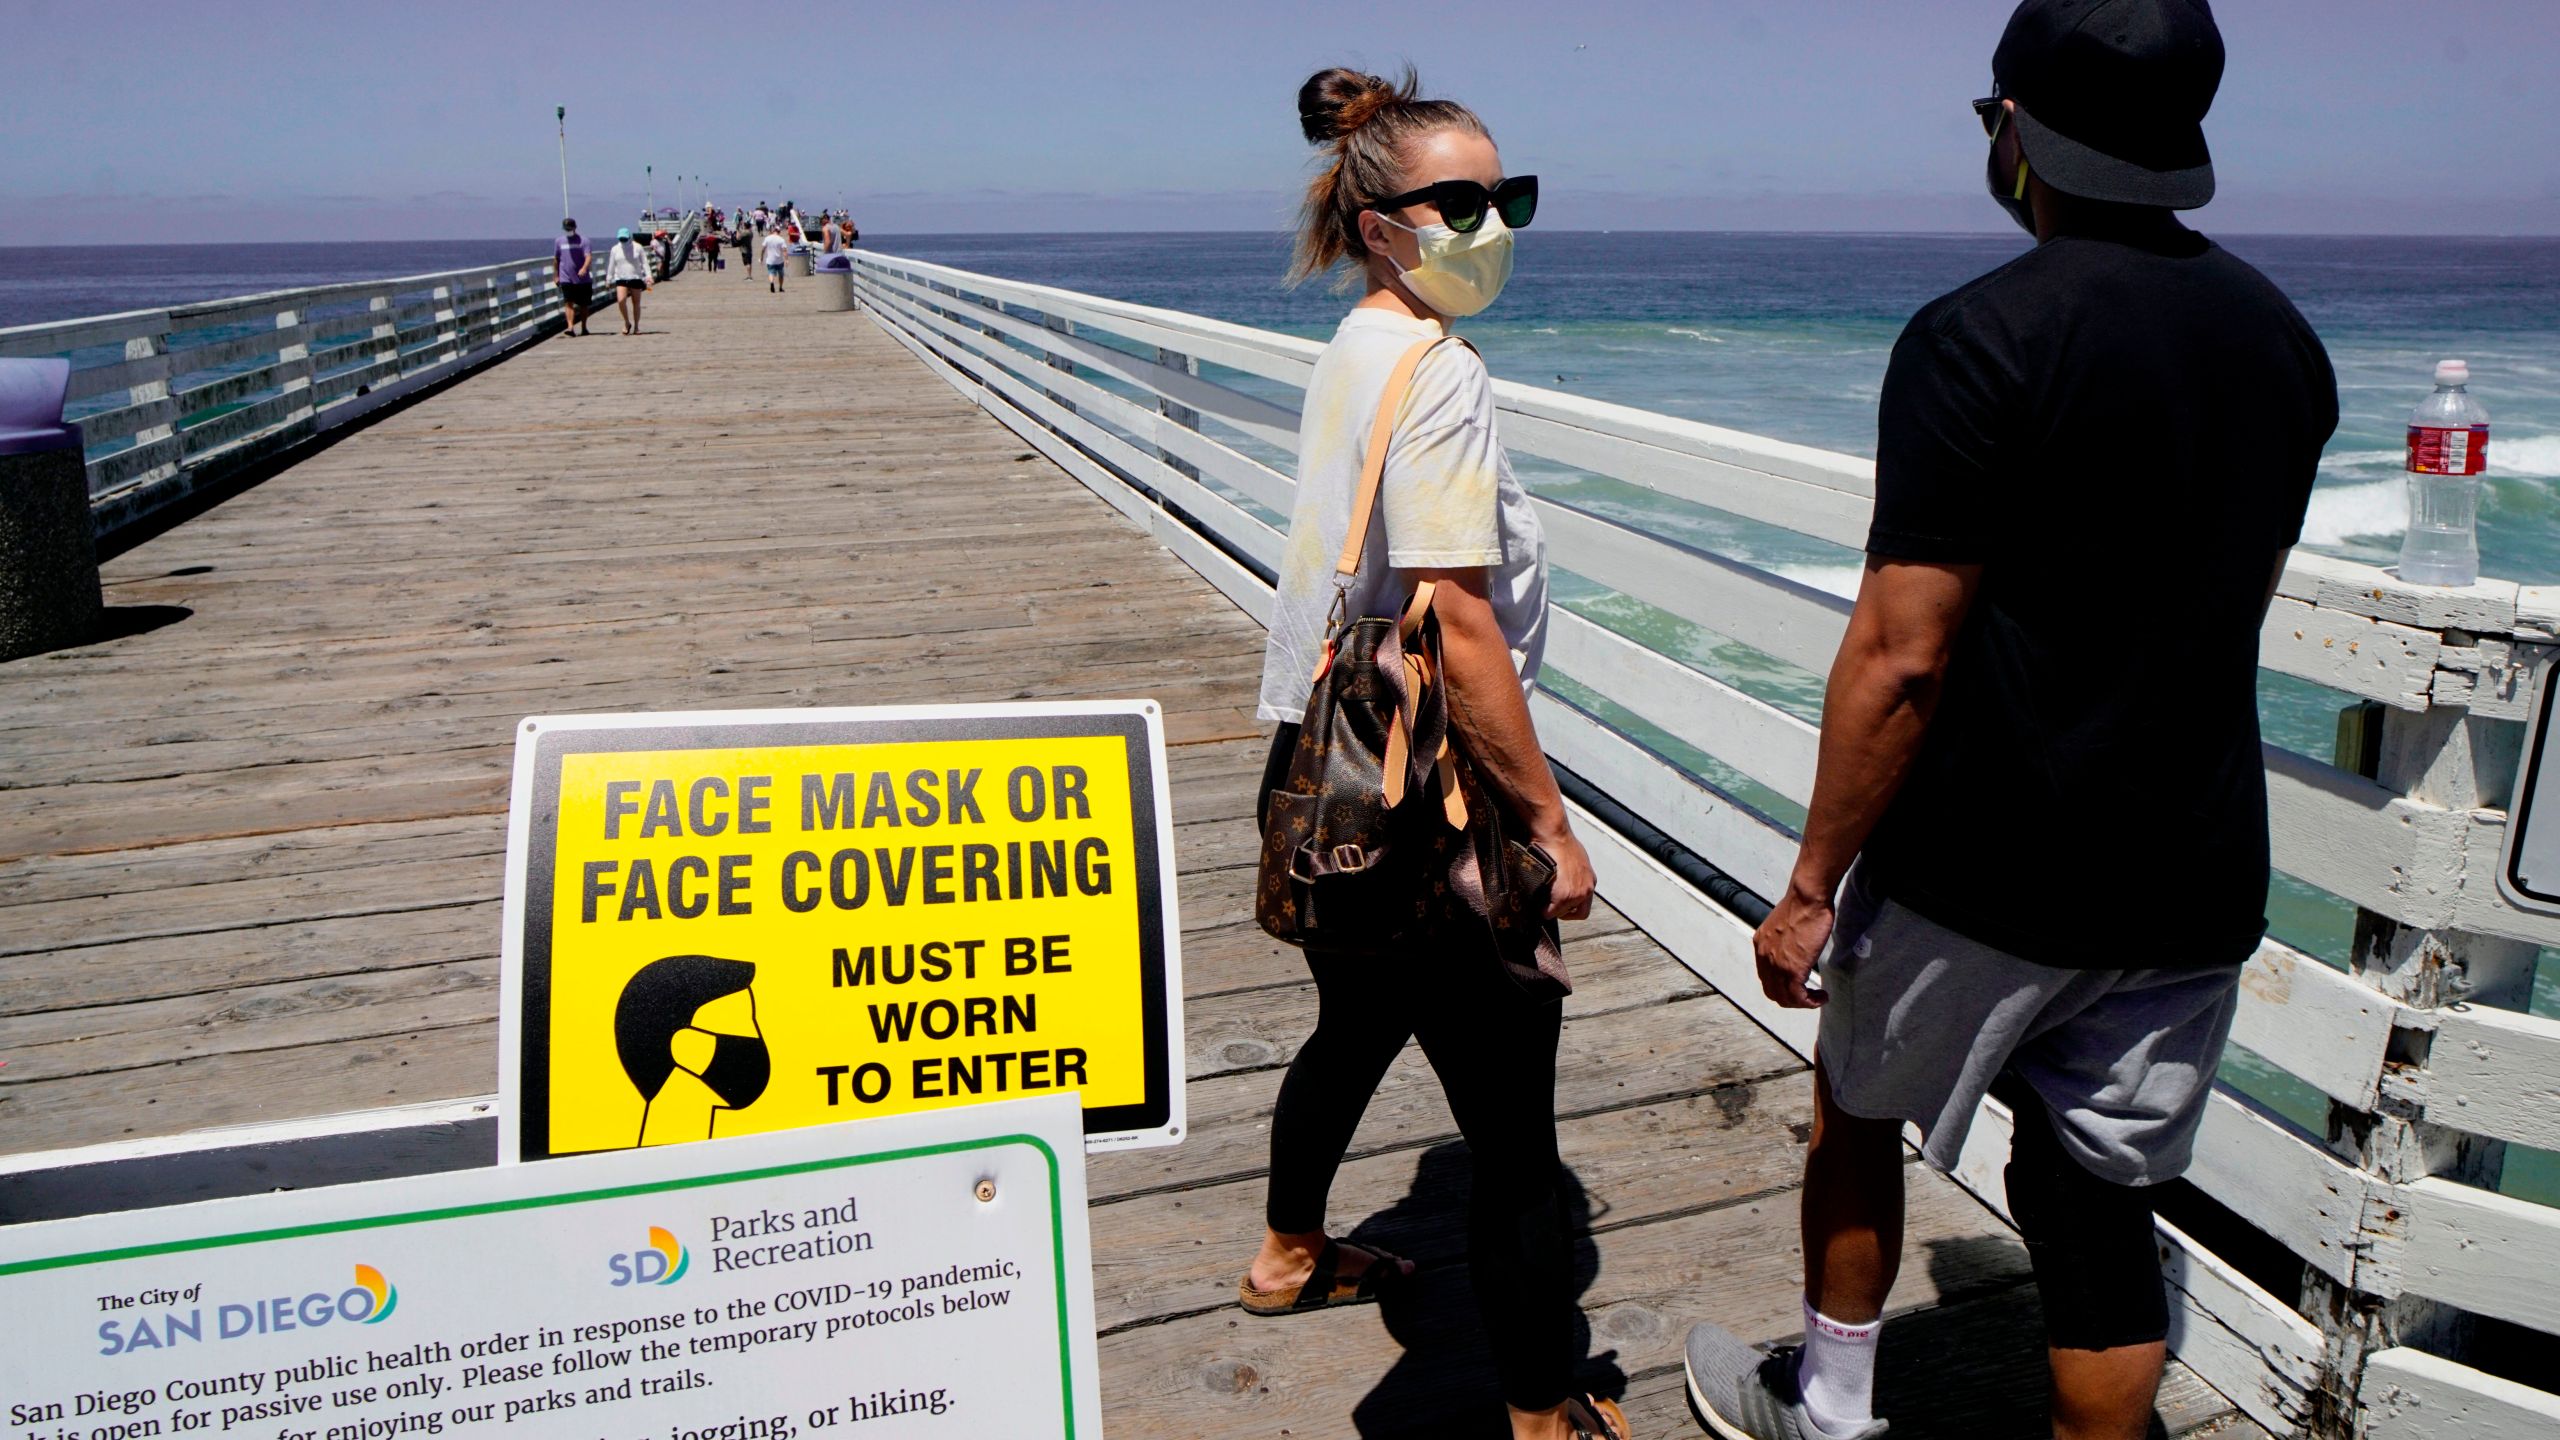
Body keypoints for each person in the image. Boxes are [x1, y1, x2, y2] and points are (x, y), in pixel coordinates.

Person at [1679, 5, 2338, 1440]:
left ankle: (1833, 1408)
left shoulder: (1979, 336)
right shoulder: (2284, 343)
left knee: (1858, 1108)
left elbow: (1901, 659)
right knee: (2102, 1200)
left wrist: (1807, 890)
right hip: (2191, 873)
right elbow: (2228, 606)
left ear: (2018, 133)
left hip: (1991, 865)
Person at [1243, 66, 1617, 1440]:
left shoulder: (1358, 346)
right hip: (1435, 808)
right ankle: (1539, 1411)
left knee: (1353, 1023)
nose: (1491, 223)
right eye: (1457, 202)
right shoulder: (1443, 376)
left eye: (1507, 198)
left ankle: (1288, 1253)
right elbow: (1461, 626)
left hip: (1326, 779)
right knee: (1519, 1149)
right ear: (1376, 222)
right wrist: (1551, 826)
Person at [605, 226, 654, 335]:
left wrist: (648, 276)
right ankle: (627, 322)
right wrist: (608, 279)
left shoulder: (638, 247)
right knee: (621, 300)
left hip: (635, 277)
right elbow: (611, 265)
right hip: (621, 278)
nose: (623, 240)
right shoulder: (615, 249)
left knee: (636, 303)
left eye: (625, 238)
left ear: (629, 237)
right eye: (621, 238)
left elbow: (644, 263)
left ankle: (636, 326)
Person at [553, 217, 593, 337]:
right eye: (566, 229)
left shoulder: (584, 241)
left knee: (583, 304)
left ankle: (584, 327)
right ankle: (570, 327)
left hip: (582, 279)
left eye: (570, 228)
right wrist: (556, 275)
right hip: (566, 277)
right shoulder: (559, 241)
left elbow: (588, 256)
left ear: (575, 228)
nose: (568, 230)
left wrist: (584, 268)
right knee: (568, 302)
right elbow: (556, 259)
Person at [760, 225, 789, 293]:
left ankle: (772, 283)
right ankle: (780, 288)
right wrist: (786, 260)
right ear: (778, 231)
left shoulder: (767, 238)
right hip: (779, 260)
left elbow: (763, 249)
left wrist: (761, 258)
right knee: (781, 274)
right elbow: (784, 250)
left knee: (771, 272)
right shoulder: (781, 239)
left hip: (770, 260)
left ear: (773, 231)